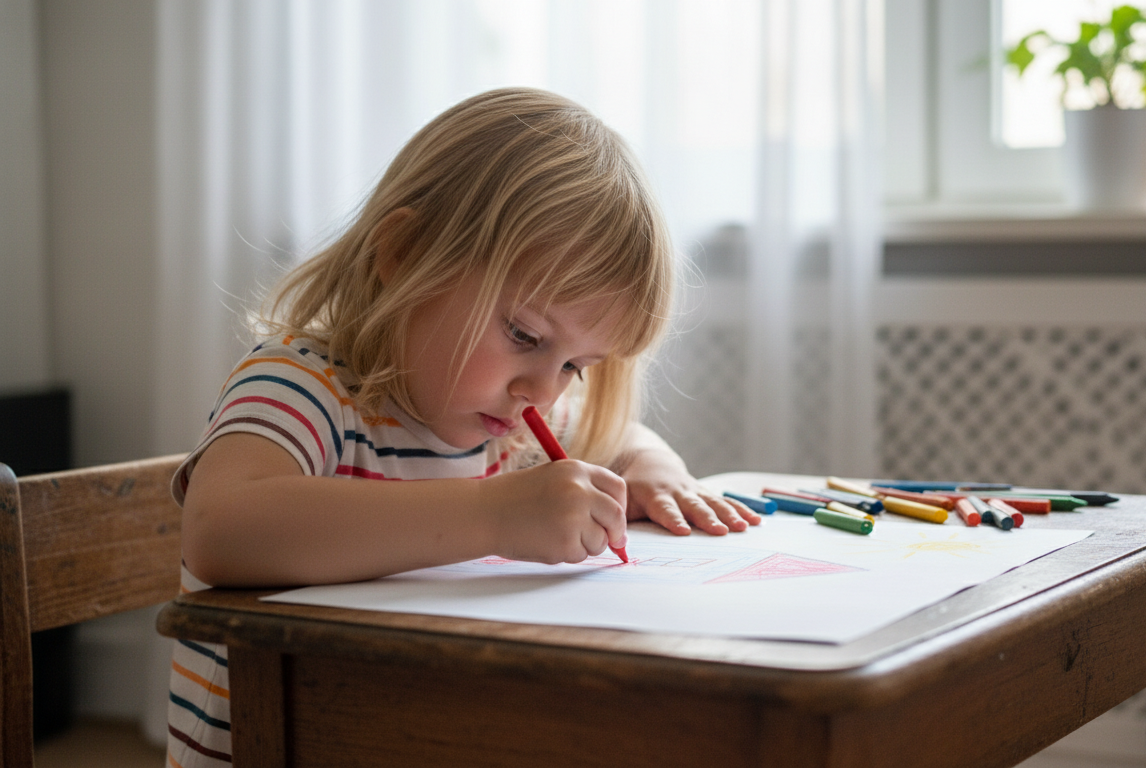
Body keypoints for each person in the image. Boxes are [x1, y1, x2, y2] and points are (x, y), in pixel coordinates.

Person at [165, 87, 761, 767]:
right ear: (405, 254)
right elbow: (220, 530)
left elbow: (622, 439)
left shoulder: (511, 423)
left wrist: (655, 469)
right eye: (524, 335)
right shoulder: (306, 385)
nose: (544, 390)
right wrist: (493, 514)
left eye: (576, 366)